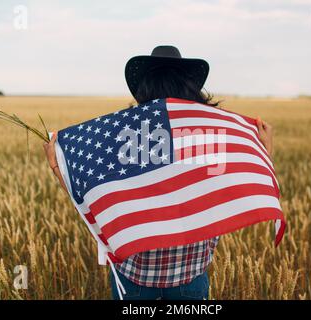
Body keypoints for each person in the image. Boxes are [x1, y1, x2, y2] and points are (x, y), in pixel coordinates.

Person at [43, 45, 273, 300]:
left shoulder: (127, 136)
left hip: (134, 278)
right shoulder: (208, 136)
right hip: (190, 277)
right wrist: (264, 148)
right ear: (189, 87)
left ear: (145, 89)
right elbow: (239, 186)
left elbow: (93, 199)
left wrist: (58, 166)